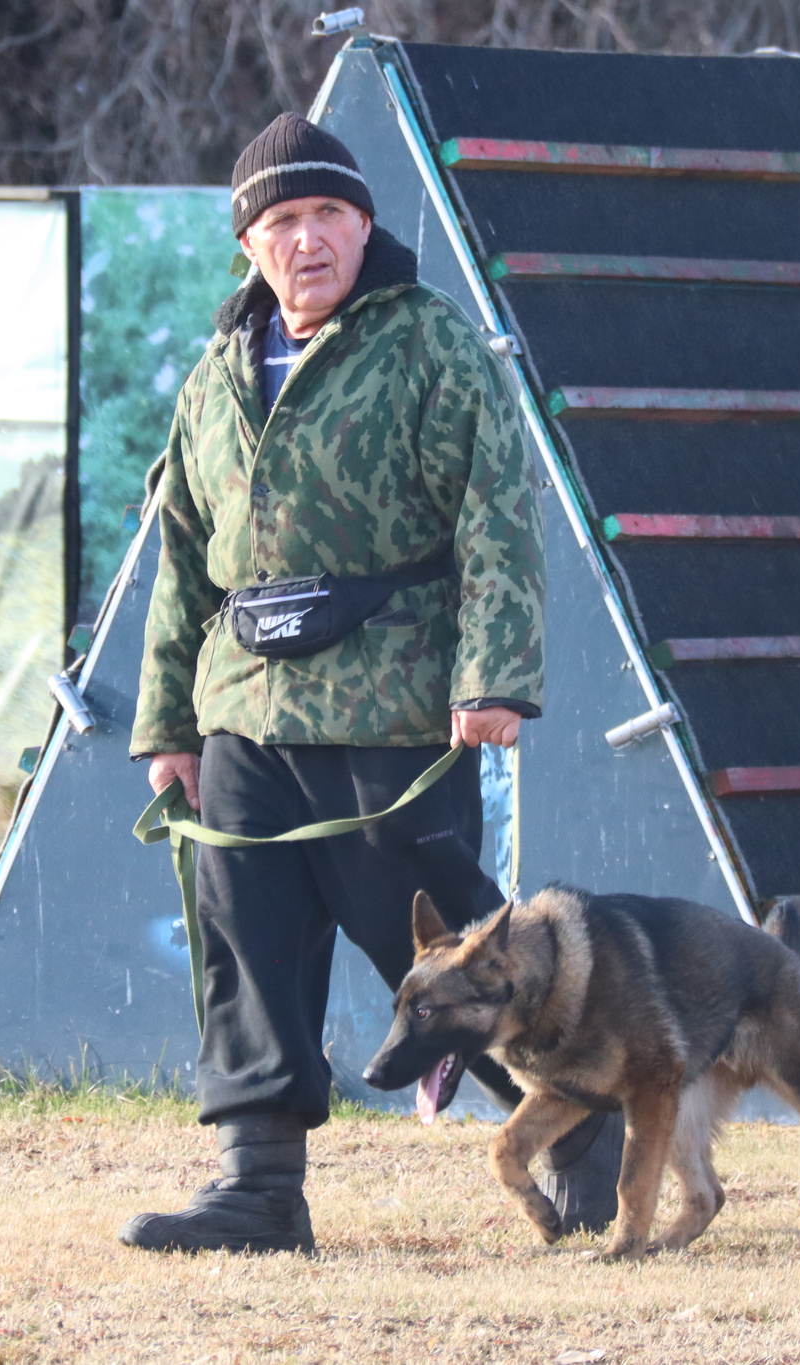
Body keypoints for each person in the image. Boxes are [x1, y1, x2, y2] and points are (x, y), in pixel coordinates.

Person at [119, 113, 621, 1254]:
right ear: (248, 243)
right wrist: (168, 724)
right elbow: (182, 557)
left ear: (363, 224)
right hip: (241, 712)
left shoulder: (431, 343)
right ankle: (257, 1190)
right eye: (282, 221)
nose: (307, 241)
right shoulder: (211, 377)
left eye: (327, 215)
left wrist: (492, 674)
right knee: (243, 943)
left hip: (391, 707)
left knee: (454, 964)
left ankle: (583, 1129)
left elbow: (496, 515)